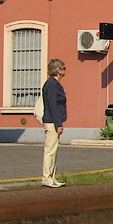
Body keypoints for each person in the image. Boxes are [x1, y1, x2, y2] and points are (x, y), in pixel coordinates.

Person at [41, 58, 67, 187]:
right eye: (63, 68)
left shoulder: (54, 84)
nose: (64, 71)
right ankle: (46, 177)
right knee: (50, 150)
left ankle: (52, 176)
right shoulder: (51, 84)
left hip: (54, 120)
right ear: (58, 70)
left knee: (54, 149)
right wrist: (58, 123)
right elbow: (52, 105)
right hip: (52, 121)